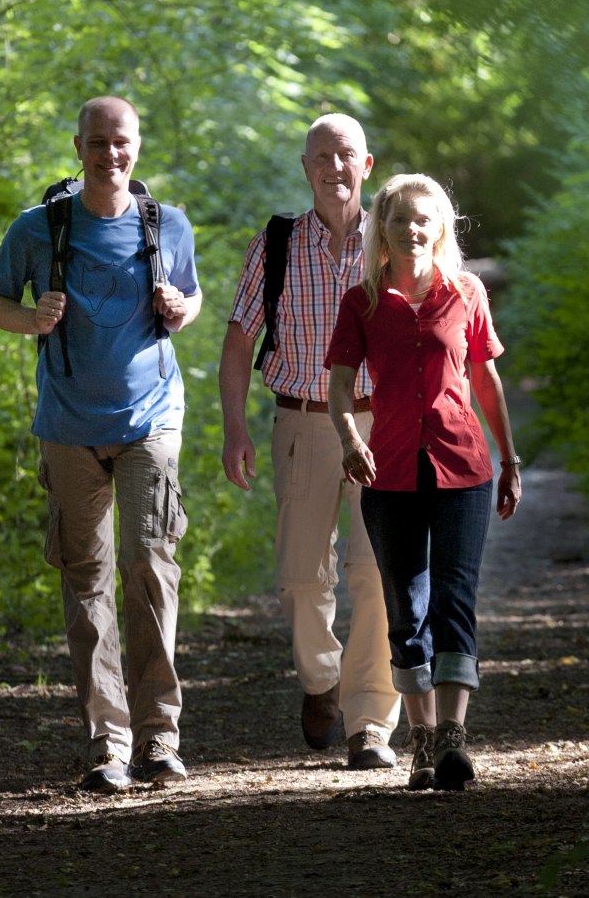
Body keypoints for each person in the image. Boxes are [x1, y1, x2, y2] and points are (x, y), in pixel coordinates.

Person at [0, 96, 202, 794]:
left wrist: (179, 307)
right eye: (97, 142)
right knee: (87, 579)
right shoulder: (39, 227)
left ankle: (160, 735)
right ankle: (109, 740)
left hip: (150, 419)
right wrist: (31, 318)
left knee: (147, 561)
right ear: (78, 146)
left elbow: (190, 301)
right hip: (69, 423)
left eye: (121, 141)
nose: (110, 153)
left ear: (138, 145)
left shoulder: (168, 225)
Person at [326, 172, 521, 792]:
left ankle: (454, 738)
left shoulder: (465, 292)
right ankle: (422, 737)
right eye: (402, 218)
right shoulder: (360, 301)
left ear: (439, 230)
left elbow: (486, 381)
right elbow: (337, 386)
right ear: (380, 228)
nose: (413, 229)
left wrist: (510, 459)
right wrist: (351, 440)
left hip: (462, 466)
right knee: (405, 611)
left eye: (425, 220)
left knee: (454, 599)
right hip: (386, 471)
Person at [219, 114, 400, 769]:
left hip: (381, 423)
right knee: (301, 576)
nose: (333, 167)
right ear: (304, 168)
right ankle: (321, 680)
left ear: (367, 164)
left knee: (376, 570)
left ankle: (370, 721)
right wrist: (234, 427)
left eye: (344, 154)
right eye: (320, 156)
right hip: (301, 419)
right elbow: (239, 341)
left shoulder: (394, 242)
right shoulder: (274, 244)